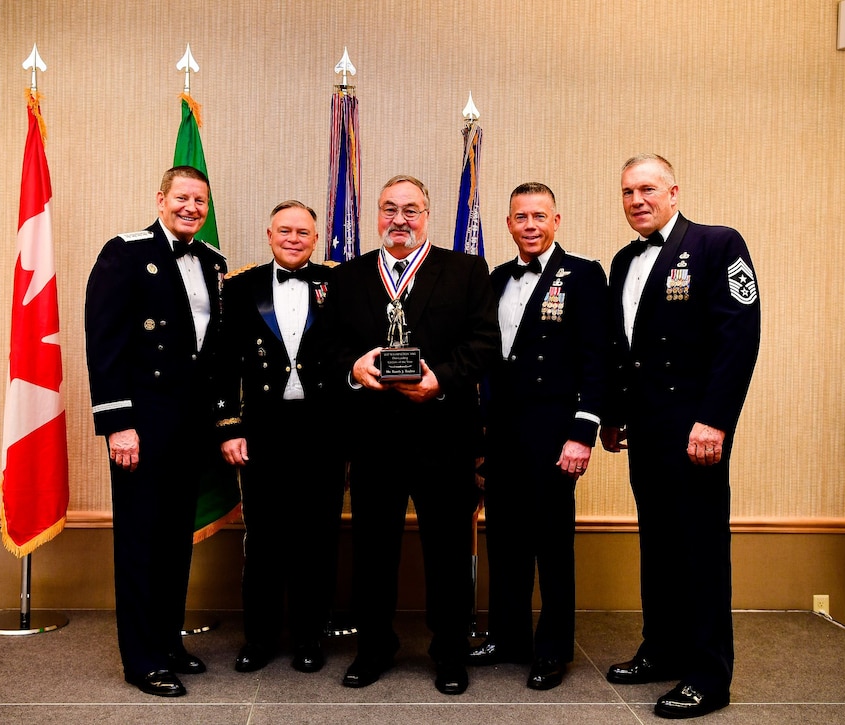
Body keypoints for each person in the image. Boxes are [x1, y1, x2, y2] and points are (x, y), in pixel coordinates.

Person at [326, 175, 500, 696]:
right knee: (373, 549)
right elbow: (327, 347)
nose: (399, 219)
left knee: (447, 549)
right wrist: (353, 368)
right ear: (377, 215)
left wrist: (439, 379)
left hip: (443, 433)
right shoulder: (349, 277)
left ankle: (449, 650)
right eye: (389, 209)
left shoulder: (466, 270)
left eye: (411, 209)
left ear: (428, 214)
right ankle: (374, 646)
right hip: (374, 438)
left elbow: (484, 342)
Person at [600, 154, 760, 719]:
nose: (636, 200)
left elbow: (738, 339)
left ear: (673, 191)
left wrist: (715, 419)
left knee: (701, 552)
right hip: (646, 429)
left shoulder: (717, 245)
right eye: (626, 192)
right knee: (659, 547)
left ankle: (709, 676)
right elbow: (624, 350)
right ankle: (661, 650)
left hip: (696, 428)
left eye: (647, 189)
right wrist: (615, 414)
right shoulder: (622, 261)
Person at [85, 166, 227, 698]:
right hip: (141, 426)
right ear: (161, 198)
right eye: (183, 198)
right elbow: (105, 345)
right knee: (142, 542)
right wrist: (118, 424)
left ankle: (168, 642)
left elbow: (211, 353)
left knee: (175, 542)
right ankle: (140, 659)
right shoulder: (125, 252)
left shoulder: (213, 263)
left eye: (200, 201)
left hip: (189, 428)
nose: (191, 207)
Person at [468, 183, 608, 690]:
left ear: (556, 220)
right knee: (506, 540)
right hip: (502, 431)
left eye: (539, 216)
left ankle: (552, 649)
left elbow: (599, 359)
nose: (530, 225)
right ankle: (507, 636)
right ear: (508, 224)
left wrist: (583, 433)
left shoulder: (585, 275)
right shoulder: (497, 277)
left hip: (555, 433)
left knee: (551, 543)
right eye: (521, 217)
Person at [218, 200, 344, 675]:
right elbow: (223, 363)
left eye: (303, 233)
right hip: (264, 430)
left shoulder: (340, 283)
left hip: (323, 431)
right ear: (268, 234)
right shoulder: (238, 287)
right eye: (285, 231)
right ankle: (259, 639)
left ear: (316, 239)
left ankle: (310, 638)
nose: (294, 239)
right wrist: (229, 427)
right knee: (264, 539)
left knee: (318, 539)